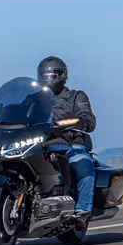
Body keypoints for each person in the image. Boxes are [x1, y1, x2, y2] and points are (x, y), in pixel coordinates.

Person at [38, 56, 99, 215]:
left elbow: (88, 119)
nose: (49, 79)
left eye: (53, 75)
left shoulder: (76, 96)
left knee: (83, 164)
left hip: (69, 144)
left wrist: (81, 121)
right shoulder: (33, 99)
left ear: (63, 76)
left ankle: (82, 210)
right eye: (45, 76)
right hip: (39, 145)